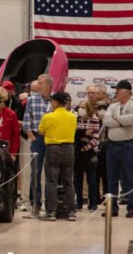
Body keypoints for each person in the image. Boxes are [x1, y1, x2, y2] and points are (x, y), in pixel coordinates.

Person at [102, 80, 133, 218]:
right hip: (112, 145)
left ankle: (132, 207)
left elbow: (132, 121)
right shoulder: (113, 106)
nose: (116, 92)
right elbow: (106, 121)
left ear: (127, 92)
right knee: (111, 178)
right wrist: (121, 120)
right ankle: (112, 207)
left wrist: (117, 119)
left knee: (131, 177)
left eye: (119, 90)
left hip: (128, 145)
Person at [38, 92, 77, 221]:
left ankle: (51, 212)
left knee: (51, 181)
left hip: (53, 149)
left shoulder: (48, 117)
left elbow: (41, 131)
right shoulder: (72, 116)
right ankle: (71, 212)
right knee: (68, 182)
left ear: (55, 102)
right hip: (69, 148)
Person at [23, 74, 53, 217]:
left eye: (41, 83)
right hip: (37, 139)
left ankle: (50, 206)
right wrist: (33, 138)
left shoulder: (56, 100)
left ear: (48, 85)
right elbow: (26, 121)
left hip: (53, 141)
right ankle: (35, 204)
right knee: (35, 172)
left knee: (51, 174)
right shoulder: (31, 100)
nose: (38, 86)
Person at [74, 100, 100, 211]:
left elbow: (95, 137)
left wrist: (86, 146)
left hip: (90, 152)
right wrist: (84, 132)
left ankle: (93, 203)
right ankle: (78, 202)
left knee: (92, 179)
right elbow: (74, 134)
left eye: (83, 107)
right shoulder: (75, 119)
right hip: (77, 152)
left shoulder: (94, 119)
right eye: (80, 107)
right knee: (77, 179)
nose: (81, 109)